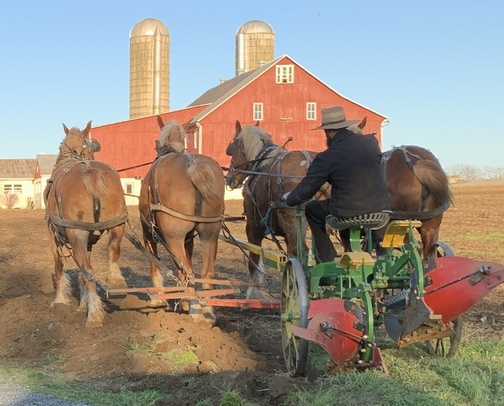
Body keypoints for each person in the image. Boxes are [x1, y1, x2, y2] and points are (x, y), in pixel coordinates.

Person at [283, 106, 391, 262]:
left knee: (313, 210)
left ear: (327, 132)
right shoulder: (371, 142)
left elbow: (307, 188)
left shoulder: (326, 157)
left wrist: (290, 198)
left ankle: (326, 258)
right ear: (345, 126)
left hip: (346, 212)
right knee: (375, 201)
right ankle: (381, 251)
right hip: (381, 209)